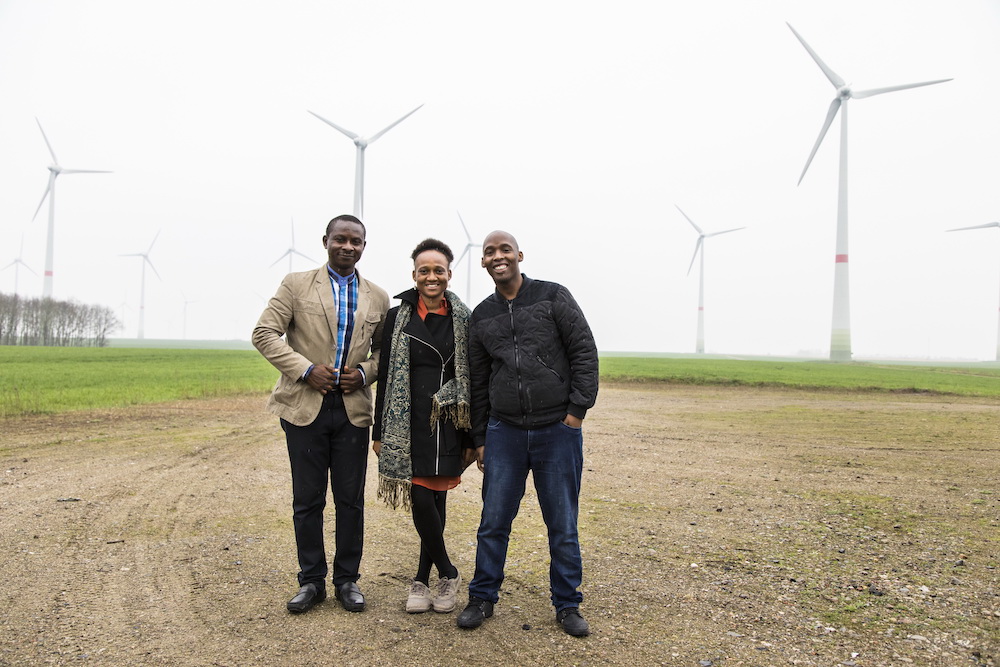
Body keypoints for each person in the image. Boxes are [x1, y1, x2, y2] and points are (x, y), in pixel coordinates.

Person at [457, 230, 599, 637]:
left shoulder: (554, 296)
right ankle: (482, 598)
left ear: (519, 255)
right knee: (493, 521)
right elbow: (479, 381)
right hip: (505, 432)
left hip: (558, 429)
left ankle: (567, 604)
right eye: (489, 252)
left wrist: (576, 413)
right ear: (483, 262)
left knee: (562, 523)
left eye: (504, 249)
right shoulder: (481, 316)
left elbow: (584, 352)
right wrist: (481, 438)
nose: (498, 256)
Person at [252, 214, 389, 615]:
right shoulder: (296, 285)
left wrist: (363, 373)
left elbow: (384, 353)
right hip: (303, 407)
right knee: (307, 500)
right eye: (341, 239)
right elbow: (264, 334)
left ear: (364, 246)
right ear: (326, 240)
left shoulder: (377, 297)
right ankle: (311, 581)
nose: (348, 246)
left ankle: (348, 581)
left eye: (356, 241)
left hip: (352, 410)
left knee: (350, 500)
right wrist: (306, 370)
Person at [372, 238, 476, 615]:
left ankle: (420, 577)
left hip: (449, 421)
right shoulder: (397, 317)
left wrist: (472, 436)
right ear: (414, 275)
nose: (431, 276)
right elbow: (385, 375)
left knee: (437, 499)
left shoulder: (465, 319)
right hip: (407, 421)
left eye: (439, 270)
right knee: (420, 496)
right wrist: (378, 433)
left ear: (449, 274)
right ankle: (448, 572)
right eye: (424, 270)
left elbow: (473, 378)